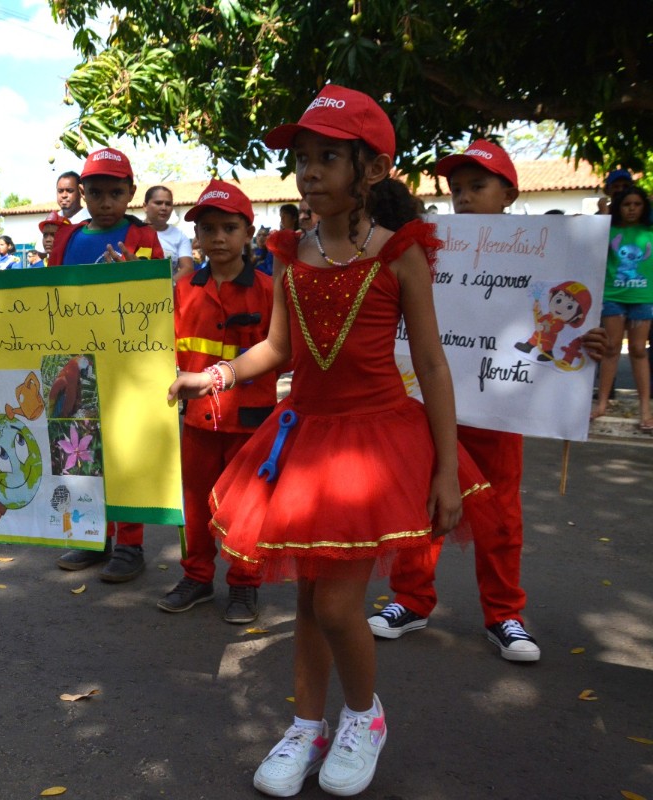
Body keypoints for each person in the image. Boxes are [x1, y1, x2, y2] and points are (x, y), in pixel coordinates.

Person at [168, 86, 492, 797]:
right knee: (311, 603)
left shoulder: (401, 254)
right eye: (302, 159)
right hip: (305, 441)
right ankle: (306, 724)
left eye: (326, 158)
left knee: (343, 606)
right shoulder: (290, 252)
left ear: (371, 171)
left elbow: (432, 363)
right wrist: (215, 373)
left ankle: (364, 715)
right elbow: (277, 348)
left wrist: (444, 467)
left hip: (373, 444)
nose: (308, 171)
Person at [371, 141, 608, 666]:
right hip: (430, 406)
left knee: (499, 515)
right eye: (456, 190)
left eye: (477, 187)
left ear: (510, 193)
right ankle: (410, 600)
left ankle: (504, 614)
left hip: (501, 409)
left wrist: (589, 345)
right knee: (421, 503)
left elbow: (563, 333)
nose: (464, 199)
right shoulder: (426, 247)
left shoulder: (550, 257)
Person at [158, 180, 275, 623]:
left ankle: (244, 584)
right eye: (209, 229)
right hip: (197, 422)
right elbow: (161, 349)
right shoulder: (183, 289)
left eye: (229, 227)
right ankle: (197, 577)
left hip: (252, 421)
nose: (219, 238)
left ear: (248, 232)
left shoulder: (268, 289)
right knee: (194, 502)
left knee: (247, 506)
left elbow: (285, 355)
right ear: (197, 238)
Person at [48, 146, 164, 581]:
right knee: (78, 452)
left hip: (125, 364)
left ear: (131, 192)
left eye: (116, 192)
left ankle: (129, 545)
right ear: (82, 193)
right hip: (73, 363)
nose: (106, 202)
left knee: (122, 451)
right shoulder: (68, 237)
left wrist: (136, 272)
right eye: (95, 192)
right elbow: (49, 295)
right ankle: (91, 535)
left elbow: (154, 292)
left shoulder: (143, 237)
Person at [593, 185, 653, 429]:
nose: (632, 209)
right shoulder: (609, 230)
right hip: (613, 297)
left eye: (637, 204)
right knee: (611, 348)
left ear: (644, 207)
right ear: (620, 206)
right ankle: (602, 403)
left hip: (643, 297)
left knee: (639, 350)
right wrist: (603, 211)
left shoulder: (649, 231)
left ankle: (645, 408)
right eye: (627, 204)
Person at [143, 185, 194, 282]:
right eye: (158, 203)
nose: (164, 208)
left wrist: (166, 287)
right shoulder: (133, 231)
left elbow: (188, 268)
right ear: (145, 207)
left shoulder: (180, 236)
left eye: (168, 204)